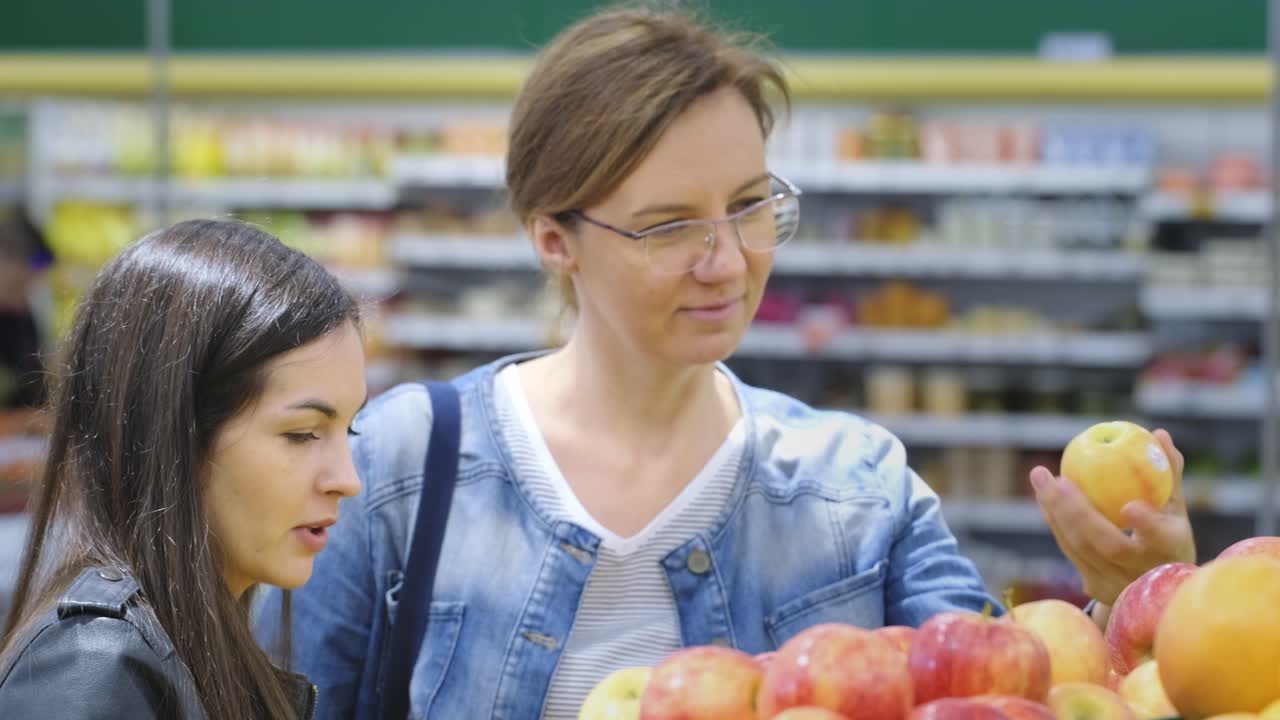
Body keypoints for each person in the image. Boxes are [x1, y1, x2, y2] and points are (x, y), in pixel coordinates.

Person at [263, 7, 1195, 719]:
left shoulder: (857, 488)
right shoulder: (398, 467)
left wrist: (1144, 615)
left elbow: (1013, 688)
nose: (729, 260)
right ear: (555, 240)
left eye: (751, 206)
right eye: (670, 225)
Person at [0, 219, 366, 719]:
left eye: (351, 430)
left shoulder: (194, 641)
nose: (347, 479)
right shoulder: (95, 668)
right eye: (302, 434)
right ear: (175, 435)